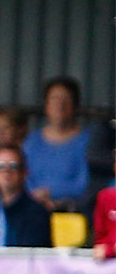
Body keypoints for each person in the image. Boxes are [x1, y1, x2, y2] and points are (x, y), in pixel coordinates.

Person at [25, 76, 94, 211]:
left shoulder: (87, 141)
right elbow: (24, 178)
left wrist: (51, 193)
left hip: (74, 211)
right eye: (54, 99)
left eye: (66, 99)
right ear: (46, 105)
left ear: (75, 105)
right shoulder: (32, 141)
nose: (60, 105)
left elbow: (85, 183)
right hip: (33, 207)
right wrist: (37, 197)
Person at [0, 144, 51, 248]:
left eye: (13, 166)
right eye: (0, 167)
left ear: (24, 172)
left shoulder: (37, 213)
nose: (6, 172)